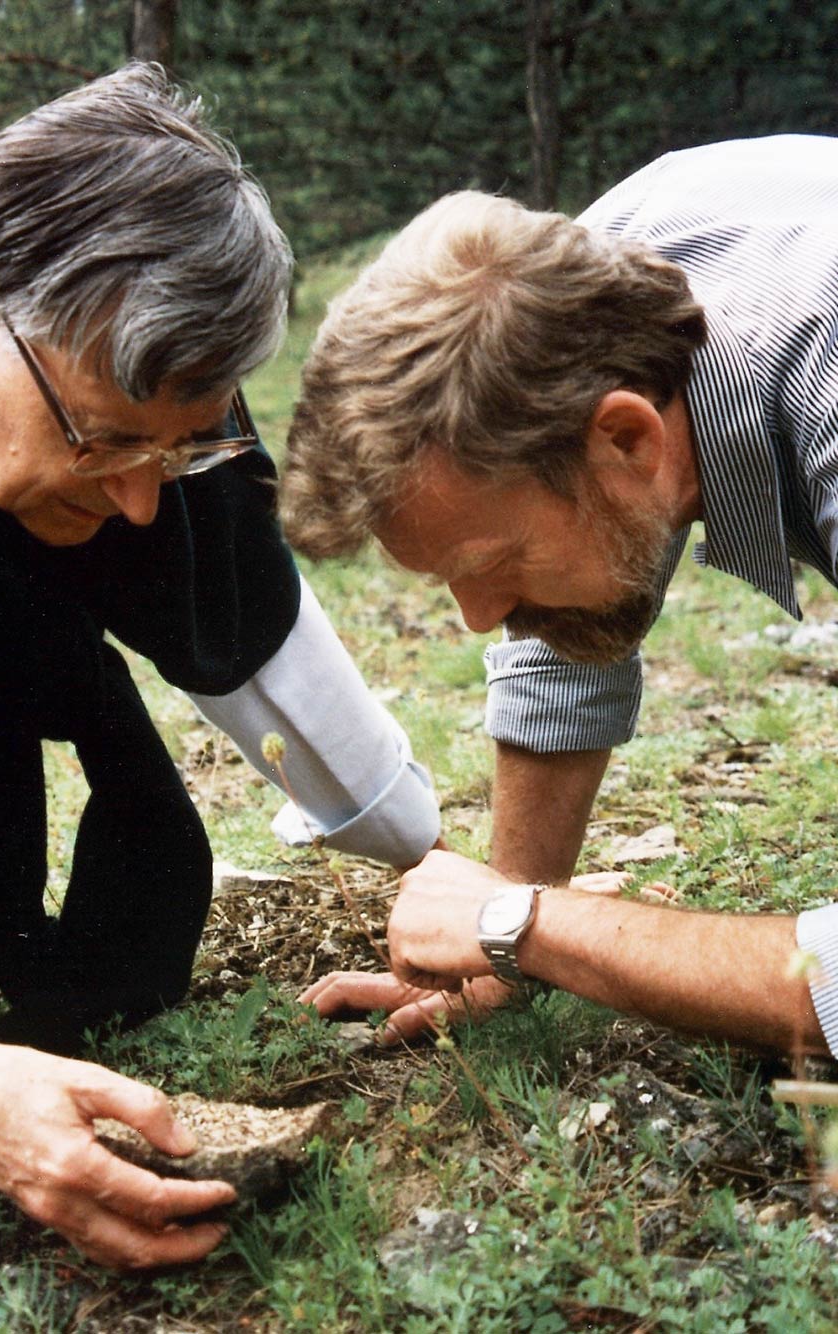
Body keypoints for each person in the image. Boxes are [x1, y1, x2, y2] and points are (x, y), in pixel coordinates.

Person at [0, 65, 441, 1307]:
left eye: (189, 443)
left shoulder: (103, 423)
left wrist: (461, 899)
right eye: (105, 439)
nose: (141, 504)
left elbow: (288, 679)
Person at [281, 134, 838, 1059]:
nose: (476, 616)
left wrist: (522, 924)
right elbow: (571, 617)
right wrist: (496, 951)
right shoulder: (579, 286)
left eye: (493, 561)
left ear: (627, 439)